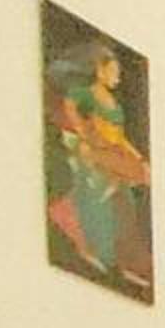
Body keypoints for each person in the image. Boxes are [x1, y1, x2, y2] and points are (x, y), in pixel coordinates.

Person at [47, 42, 151, 281]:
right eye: (113, 71)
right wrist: (85, 133)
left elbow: (119, 136)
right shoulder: (85, 93)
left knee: (124, 203)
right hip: (93, 152)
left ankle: (120, 260)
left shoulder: (113, 103)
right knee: (97, 200)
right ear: (100, 70)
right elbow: (70, 106)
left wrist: (136, 156)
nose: (117, 77)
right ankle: (93, 251)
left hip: (112, 151)